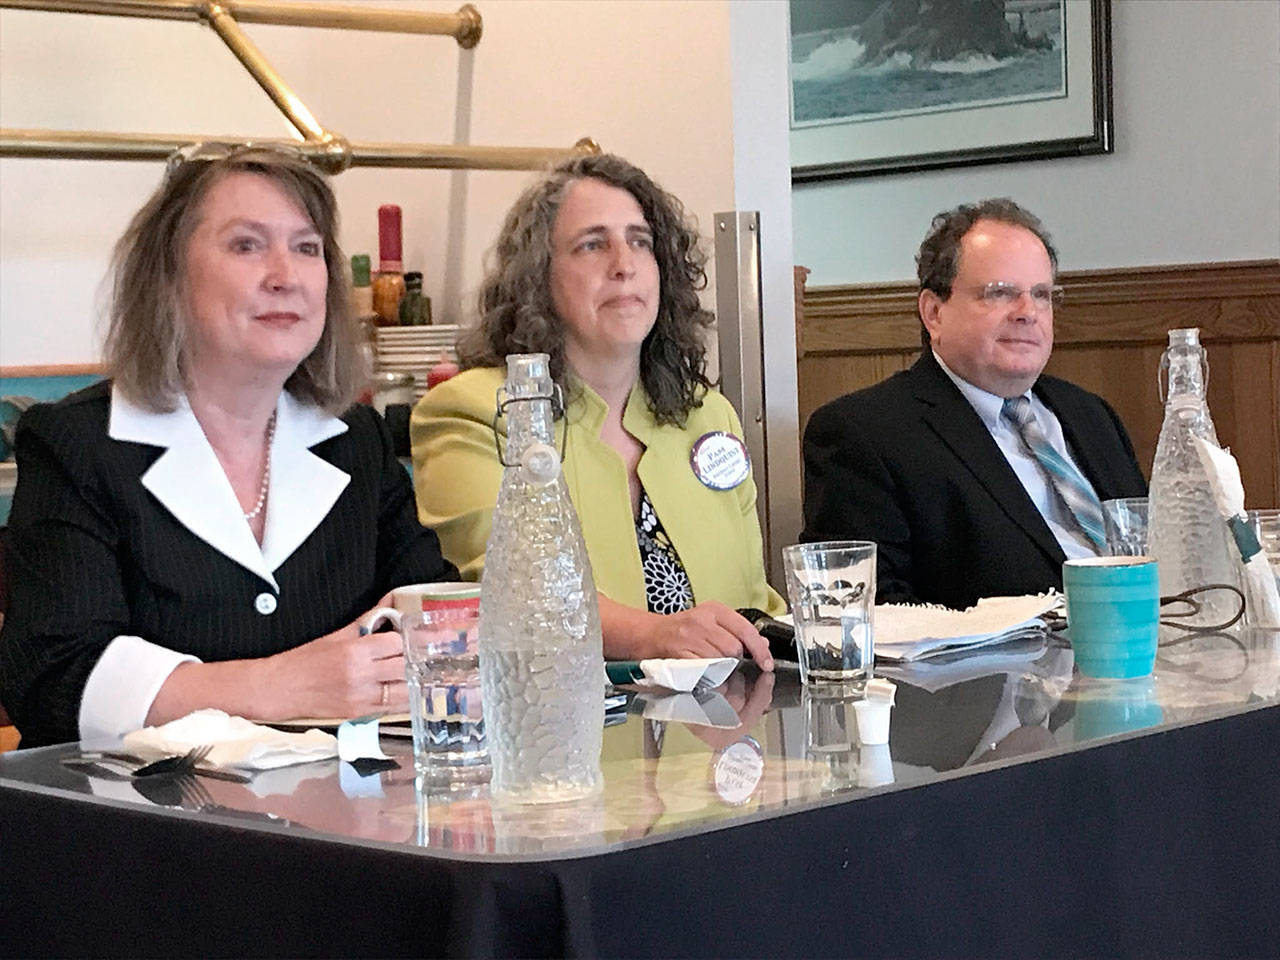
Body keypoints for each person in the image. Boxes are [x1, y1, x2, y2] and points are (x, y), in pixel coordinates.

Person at [0, 145, 456, 748]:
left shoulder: (357, 440)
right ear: (169, 277)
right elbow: (53, 681)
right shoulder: (79, 444)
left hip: (345, 819)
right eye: (246, 245)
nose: (285, 276)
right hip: (143, 828)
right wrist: (277, 686)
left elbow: (435, 619)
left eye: (307, 247)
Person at [412, 154, 782, 665]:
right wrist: (654, 636)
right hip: (561, 729)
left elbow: (754, 600)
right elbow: (512, 599)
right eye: (592, 244)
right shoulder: (473, 411)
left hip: (724, 729)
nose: (624, 265)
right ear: (537, 277)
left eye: (640, 242)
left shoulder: (707, 415)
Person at [802, 198, 1146, 608]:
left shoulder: (1091, 416)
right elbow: (876, 616)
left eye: (1041, 295)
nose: (1028, 313)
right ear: (934, 313)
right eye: (1000, 294)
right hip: (1000, 668)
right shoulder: (864, 434)